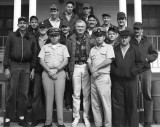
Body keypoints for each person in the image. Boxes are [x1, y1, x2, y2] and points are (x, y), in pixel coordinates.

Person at [3, 16, 37, 127]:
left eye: (24, 23)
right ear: (18, 25)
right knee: (12, 92)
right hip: (14, 64)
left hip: (26, 66)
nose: (22, 25)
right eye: (20, 23)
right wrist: (6, 68)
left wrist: (32, 69)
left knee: (24, 93)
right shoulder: (12, 36)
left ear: (27, 25)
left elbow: (34, 55)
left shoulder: (31, 37)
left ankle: (21, 117)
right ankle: (8, 118)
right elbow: (7, 52)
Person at [111, 29, 143, 127]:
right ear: (119, 38)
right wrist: (115, 71)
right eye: (122, 38)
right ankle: (118, 125)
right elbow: (110, 63)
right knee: (117, 104)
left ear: (129, 38)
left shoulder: (135, 49)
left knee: (131, 103)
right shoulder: (115, 49)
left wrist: (132, 72)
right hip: (117, 81)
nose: (124, 40)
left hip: (131, 81)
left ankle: (132, 125)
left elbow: (140, 63)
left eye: (126, 38)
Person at [38, 28, 70, 127]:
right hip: (47, 73)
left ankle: (60, 122)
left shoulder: (63, 47)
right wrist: (49, 70)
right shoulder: (45, 47)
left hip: (59, 72)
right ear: (49, 36)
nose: (54, 37)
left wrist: (56, 70)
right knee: (48, 98)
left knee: (59, 98)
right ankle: (48, 122)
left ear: (59, 36)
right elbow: (41, 60)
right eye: (52, 35)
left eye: (56, 35)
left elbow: (66, 61)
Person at [67, 20, 96, 127]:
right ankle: (76, 117)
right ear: (75, 27)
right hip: (75, 67)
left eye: (82, 26)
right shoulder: (70, 39)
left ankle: (86, 117)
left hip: (86, 67)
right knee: (76, 93)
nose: (80, 28)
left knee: (86, 94)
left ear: (85, 27)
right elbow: (68, 56)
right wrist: (67, 70)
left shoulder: (90, 39)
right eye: (78, 26)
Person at [130, 22, 158, 127]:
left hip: (146, 71)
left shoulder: (147, 42)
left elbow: (154, 54)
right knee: (134, 96)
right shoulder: (130, 41)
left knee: (147, 95)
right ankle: (134, 121)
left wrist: (147, 58)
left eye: (138, 29)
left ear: (142, 30)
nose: (136, 30)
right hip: (134, 71)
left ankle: (148, 121)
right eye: (135, 29)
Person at [87, 27, 115, 127]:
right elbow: (89, 62)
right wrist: (91, 70)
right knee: (95, 104)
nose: (98, 38)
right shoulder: (92, 49)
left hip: (103, 77)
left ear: (104, 37)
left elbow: (109, 60)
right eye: (97, 36)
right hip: (93, 78)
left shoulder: (108, 47)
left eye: (101, 36)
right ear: (94, 37)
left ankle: (107, 125)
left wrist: (96, 68)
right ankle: (98, 124)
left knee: (106, 104)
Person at [31, 22, 48, 127]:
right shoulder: (34, 39)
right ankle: (36, 118)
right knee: (36, 94)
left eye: (44, 27)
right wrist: (32, 68)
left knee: (47, 94)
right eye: (40, 27)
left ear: (47, 28)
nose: (42, 29)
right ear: (38, 29)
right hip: (37, 70)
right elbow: (33, 55)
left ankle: (47, 117)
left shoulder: (51, 39)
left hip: (48, 70)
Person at [59, 21, 73, 111]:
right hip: (60, 63)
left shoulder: (72, 37)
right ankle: (59, 103)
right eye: (63, 27)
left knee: (69, 85)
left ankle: (68, 103)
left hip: (70, 62)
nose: (64, 28)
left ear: (69, 28)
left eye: (66, 27)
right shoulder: (58, 37)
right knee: (60, 85)